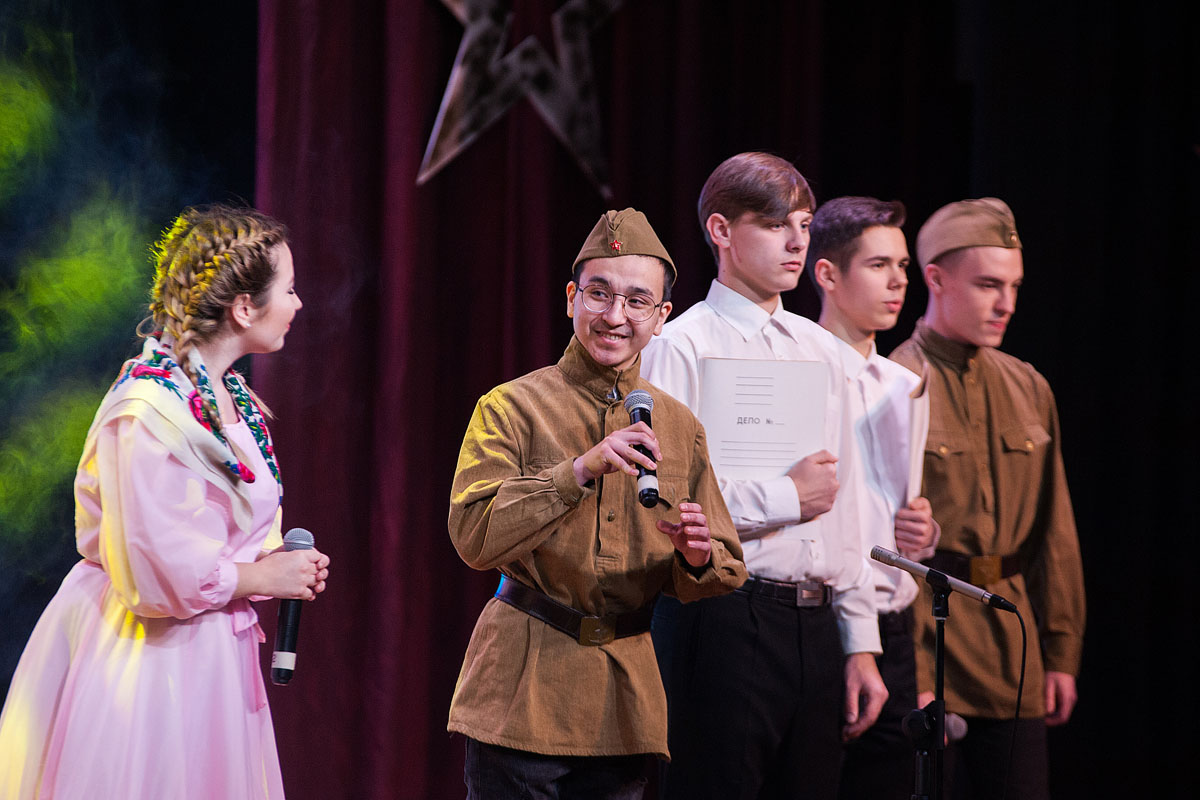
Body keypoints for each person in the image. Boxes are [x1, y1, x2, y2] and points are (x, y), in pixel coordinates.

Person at [0, 205, 330, 799]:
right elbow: (154, 571)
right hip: (149, 657)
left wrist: (278, 564)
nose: (298, 303)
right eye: (289, 289)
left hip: (212, 654)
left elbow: (225, 532)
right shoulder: (149, 411)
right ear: (244, 307)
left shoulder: (231, 397)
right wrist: (260, 575)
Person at [447, 208, 747, 799]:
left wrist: (694, 554)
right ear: (571, 299)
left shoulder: (679, 426)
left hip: (623, 702)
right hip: (521, 690)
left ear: (661, 317)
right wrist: (579, 470)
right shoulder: (510, 406)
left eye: (638, 301)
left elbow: (725, 564)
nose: (615, 316)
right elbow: (474, 537)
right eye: (600, 294)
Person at [642, 152, 888, 800]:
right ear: (722, 231)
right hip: (723, 614)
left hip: (814, 622)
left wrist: (860, 642)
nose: (797, 242)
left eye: (803, 225)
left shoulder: (822, 350)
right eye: (777, 224)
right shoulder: (682, 346)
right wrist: (787, 496)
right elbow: (667, 502)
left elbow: (847, 507)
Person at [889, 198, 1085, 800]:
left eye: (1014, 286)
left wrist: (1061, 650)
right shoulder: (897, 382)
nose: (1007, 303)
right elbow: (886, 549)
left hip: (1012, 652)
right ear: (936, 279)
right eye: (988, 285)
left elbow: (1054, 531)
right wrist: (910, 671)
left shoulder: (1028, 385)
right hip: (933, 646)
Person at [806, 196, 941, 799]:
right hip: (822, 621)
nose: (898, 281)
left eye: (903, 266)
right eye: (879, 265)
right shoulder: (800, 374)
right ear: (828, 274)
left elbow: (897, 509)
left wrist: (922, 533)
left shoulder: (903, 385)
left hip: (897, 629)